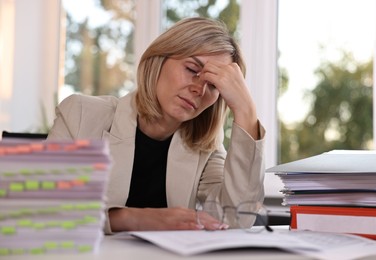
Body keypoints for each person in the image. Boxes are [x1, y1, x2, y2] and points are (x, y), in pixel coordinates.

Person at [47, 17, 266, 234]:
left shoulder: (206, 149)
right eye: (192, 69)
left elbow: (237, 218)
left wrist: (246, 110)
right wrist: (130, 219)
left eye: (214, 85)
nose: (199, 89)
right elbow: (42, 211)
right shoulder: (80, 115)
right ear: (159, 60)